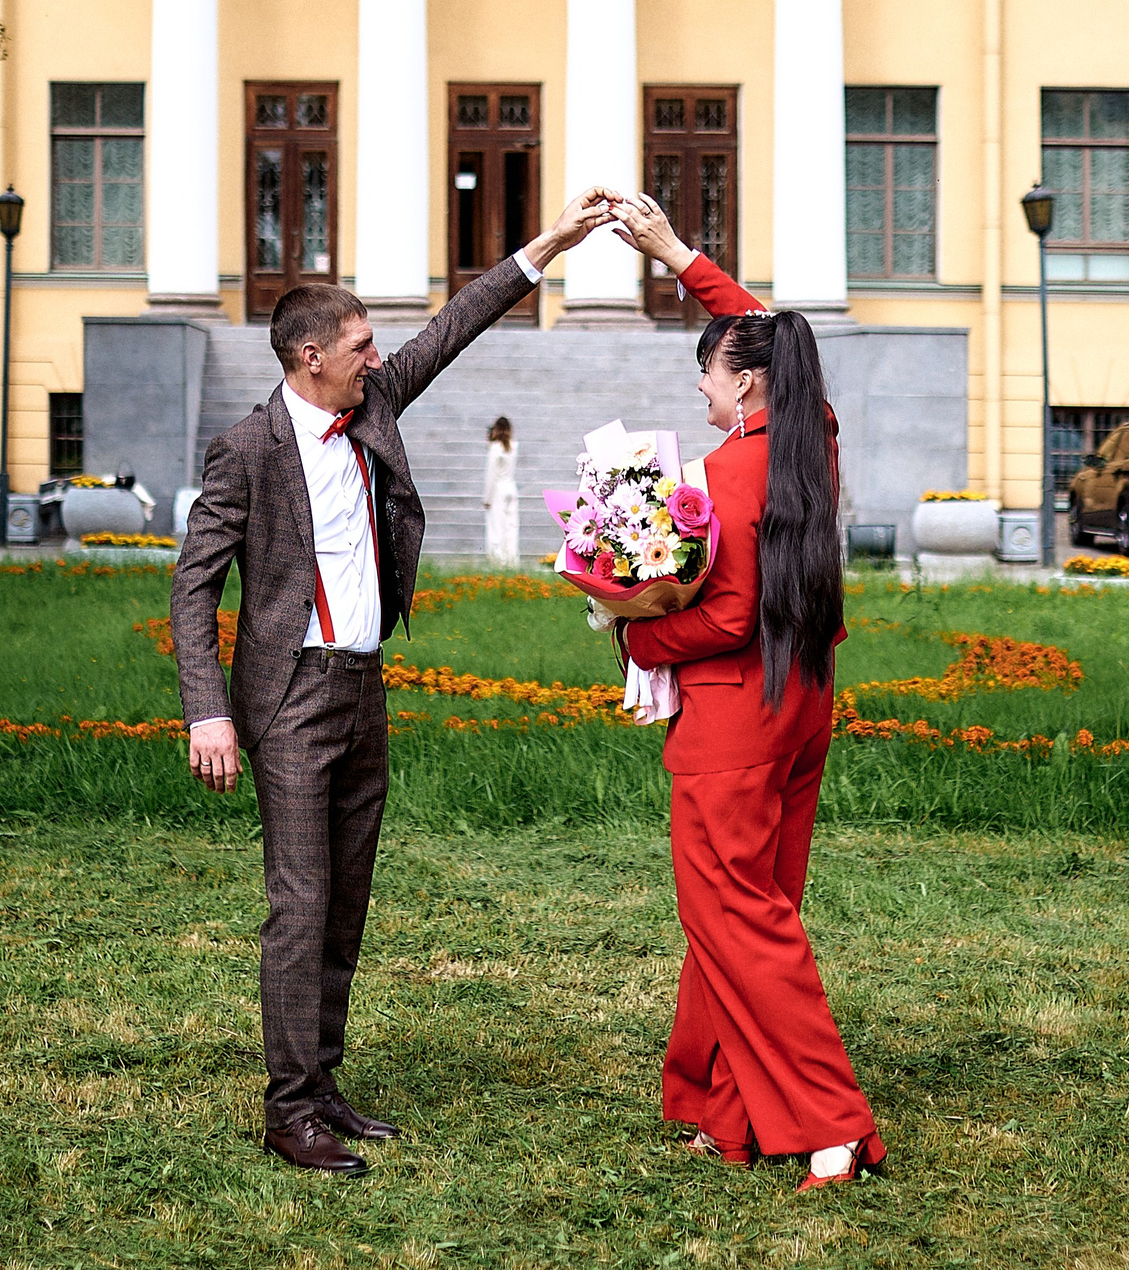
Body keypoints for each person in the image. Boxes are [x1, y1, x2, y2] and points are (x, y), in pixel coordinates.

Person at [170, 188, 617, 1176]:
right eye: (361, 345)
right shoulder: (247, 449)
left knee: (346, 899)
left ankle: (323, 1080)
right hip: (289, 700)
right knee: (299, 903)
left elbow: (454, 325)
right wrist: (208, 711)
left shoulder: (372, 403)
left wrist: (548, 242)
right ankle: (289, 1109)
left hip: (363, 689)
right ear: (309, 358)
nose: (379, 357)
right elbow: (193, 584)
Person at [606, 193, 884, 1190]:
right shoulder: (813, 435)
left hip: (733, 716)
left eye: (710, 371)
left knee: (738, 919)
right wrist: (679, 256)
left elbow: (721, 618)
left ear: (748, 381)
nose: (701, 385)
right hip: (801, 701)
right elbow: (773, 336)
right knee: (750, 911)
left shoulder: (727, 471)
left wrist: (633, 630)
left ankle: (831, 1126)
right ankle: (727, 1112)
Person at [482, 416, 520, 567]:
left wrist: (487, 498)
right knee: (511, 526)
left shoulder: (494, 448)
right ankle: (512, 560)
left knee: (496, 527)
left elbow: (491, 475)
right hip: (511, 486)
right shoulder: (514, 446)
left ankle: (498, 562)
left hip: (498, 489)